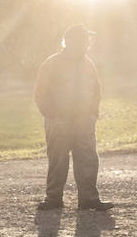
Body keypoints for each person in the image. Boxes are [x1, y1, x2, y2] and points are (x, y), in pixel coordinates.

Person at [33, 24, 115, 211]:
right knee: (58, 160)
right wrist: (53, 116)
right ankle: (53, 199)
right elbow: (40, 93)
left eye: (87, 40)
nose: (87, 43)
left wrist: (93, 114)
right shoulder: (51, 63)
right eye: (83, 39)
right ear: (69, 41)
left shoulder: (89, 64)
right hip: (58, 121)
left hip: (84, 121)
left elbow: (96, 91)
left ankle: (88, 199)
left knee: (88, 160)